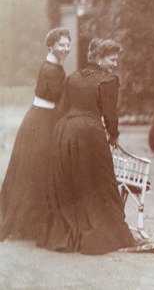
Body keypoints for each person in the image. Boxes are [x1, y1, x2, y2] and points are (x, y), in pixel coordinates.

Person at [37, 38, 135, 254]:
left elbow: (63, 107)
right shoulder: (108, 80)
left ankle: (67, 232)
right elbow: (110, 115)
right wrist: (114, 135)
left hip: (64, 131)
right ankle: (99, 231)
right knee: (99, 181)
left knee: (70, 182)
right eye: (112, 59)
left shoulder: (73, 77)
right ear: (99, 58)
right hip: (89, 133)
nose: (115, 64)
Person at [0, 27, 71, 242]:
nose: (66, 48)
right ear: (51, 46)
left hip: (42, 118)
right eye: (62, 45)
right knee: (34, 172)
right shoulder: (51, 68)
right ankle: (29, 225)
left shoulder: (54, 65)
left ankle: (32, 223)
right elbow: (59, 98)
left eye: (68, 44)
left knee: (35, 171)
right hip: (41, 121)